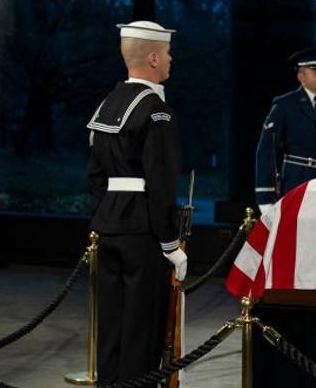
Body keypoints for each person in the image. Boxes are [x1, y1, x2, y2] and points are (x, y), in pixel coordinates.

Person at [85, 20, 188, 385]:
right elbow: (161, 184)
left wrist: (103, 214)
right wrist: (170, 243)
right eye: (169, 52)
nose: (172, 59)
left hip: (109, 225)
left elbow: (95, 175)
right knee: (141, 329)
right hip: (143, 230)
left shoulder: (107, 103)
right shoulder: (157, 110)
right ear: (154, 58)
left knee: (112, 324)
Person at [254, 47, 316, 214]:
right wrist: (265, 197)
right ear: (301, 76)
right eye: (315, 69)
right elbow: (267, 151)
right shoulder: (285, 105)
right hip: (295, 181)